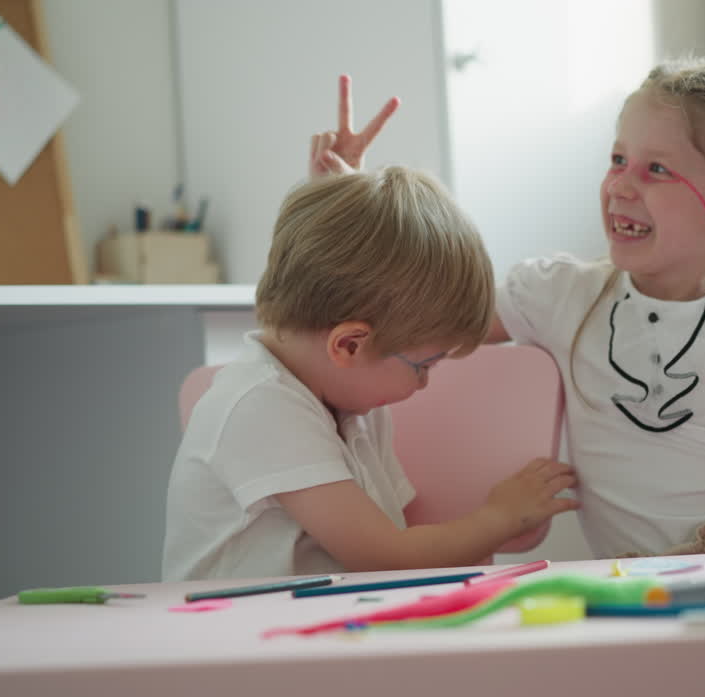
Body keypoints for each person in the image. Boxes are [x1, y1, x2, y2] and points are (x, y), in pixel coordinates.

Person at [312, 60, 705, 559]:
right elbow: (419, 320)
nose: (621, 186)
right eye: (616, 160)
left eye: (656, 169)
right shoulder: (560, 296)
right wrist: (344, 204)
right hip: (638, 584)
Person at [162, 162, 578, 581]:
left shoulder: (352, 405)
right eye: (423, 366)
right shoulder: (260, 406)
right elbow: (386, 557)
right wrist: (501, 518)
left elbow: (397, 540)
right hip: (233, 622)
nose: (424, 384)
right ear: (348, 345)